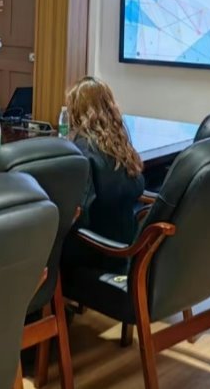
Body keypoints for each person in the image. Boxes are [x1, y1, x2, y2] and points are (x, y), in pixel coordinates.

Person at [61, 76, 144, 273]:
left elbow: (81, 214)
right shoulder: (120, 146)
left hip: (96, 252)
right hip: (125, 246)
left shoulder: (82, 152)